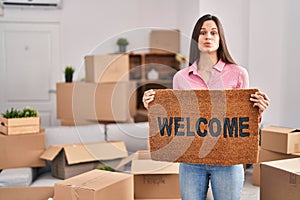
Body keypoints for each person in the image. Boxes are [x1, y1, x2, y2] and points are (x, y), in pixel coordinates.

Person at [142, 14, 270, 200]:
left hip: (228, 160)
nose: (208, 37)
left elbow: (243, 117)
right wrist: (154, 108)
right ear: (196, 39)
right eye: (202, 33)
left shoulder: (238, 73)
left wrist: (258, 111)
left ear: (220, 39)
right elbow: (176, 118)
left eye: (213, 32)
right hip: (191, 161)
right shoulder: (181, 77)